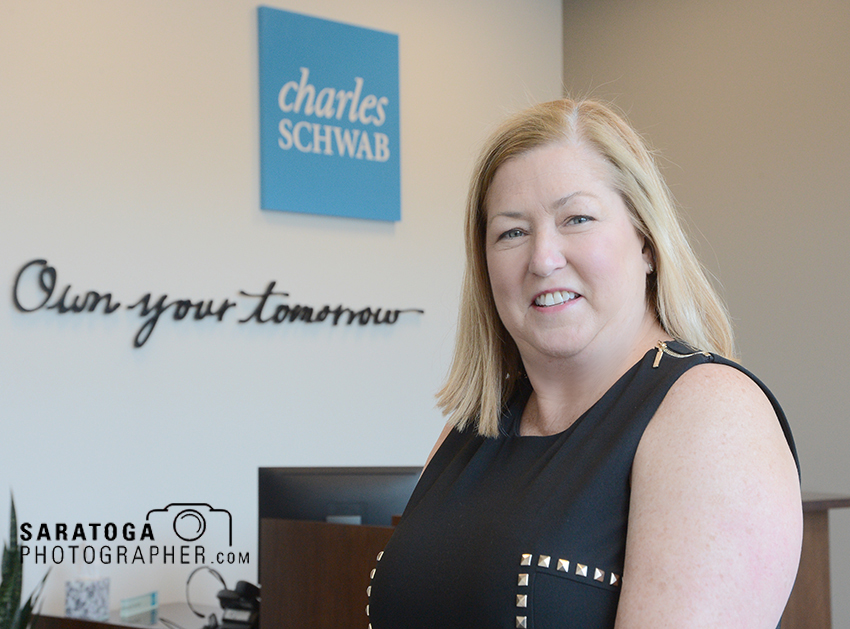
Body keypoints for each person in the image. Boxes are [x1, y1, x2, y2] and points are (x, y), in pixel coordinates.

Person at [367, 99, 802, 628]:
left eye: (577, 218)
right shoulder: (470, 428)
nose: (543, 258)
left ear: (645, 240)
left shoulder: (713, 413)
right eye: (512, 232)